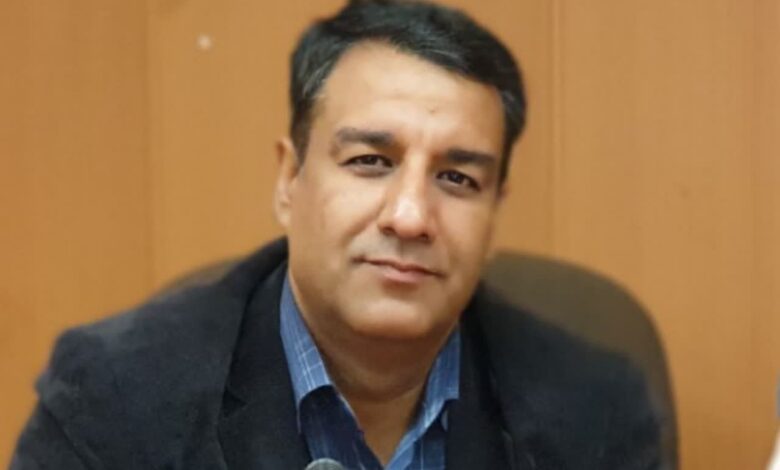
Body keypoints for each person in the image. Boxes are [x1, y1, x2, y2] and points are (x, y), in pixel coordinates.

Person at [11, 1, 662, 468]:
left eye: (457, 178)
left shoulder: (595, 410)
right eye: (370, 161)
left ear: (494, 213)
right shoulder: (116, 398)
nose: (410, 216)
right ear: (289, 180)